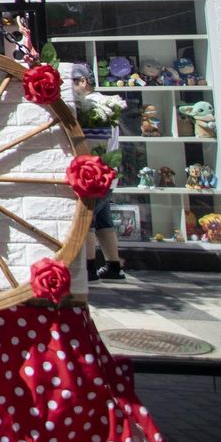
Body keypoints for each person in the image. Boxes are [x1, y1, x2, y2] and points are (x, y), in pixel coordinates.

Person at [72, 62, 125, 281]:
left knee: (88, 222)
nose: (72, 88)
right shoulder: (108, 102)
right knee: (105, 221)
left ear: (84, 82)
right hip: (109, 172)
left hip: (94, 174)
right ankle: (113, 265)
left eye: (73, 83)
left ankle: (90, 268)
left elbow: (92, 142)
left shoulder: (88, 106)